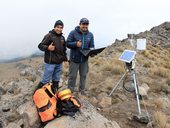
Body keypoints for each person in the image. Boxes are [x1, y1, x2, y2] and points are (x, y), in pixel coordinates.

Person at [38, 20, 68, 93]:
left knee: (56, 80)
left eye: (61, 27)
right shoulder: (49, 35)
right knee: (45, 80)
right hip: (50, 63)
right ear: (55, 27)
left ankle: (54, 93)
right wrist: (48, 47)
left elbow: (64, 50)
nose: (59, 29)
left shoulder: (62, 38)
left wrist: (66, 60)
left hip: (59, 63)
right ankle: (37, 93)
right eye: (58, 27)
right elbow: (40, 46)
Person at [66, 18, 94, 94]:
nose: (85, 26)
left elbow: (92, 46)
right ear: (80, 24)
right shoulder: (73, 33)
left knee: (83, 75)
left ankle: (82, 91)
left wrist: (92, 51)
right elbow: (67, 43)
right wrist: (75, 44)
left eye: (86, 24)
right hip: (74, 60)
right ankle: (70, 92)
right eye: (83, 24)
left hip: (84, 60)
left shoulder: (90, 35)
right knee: (72, 77)